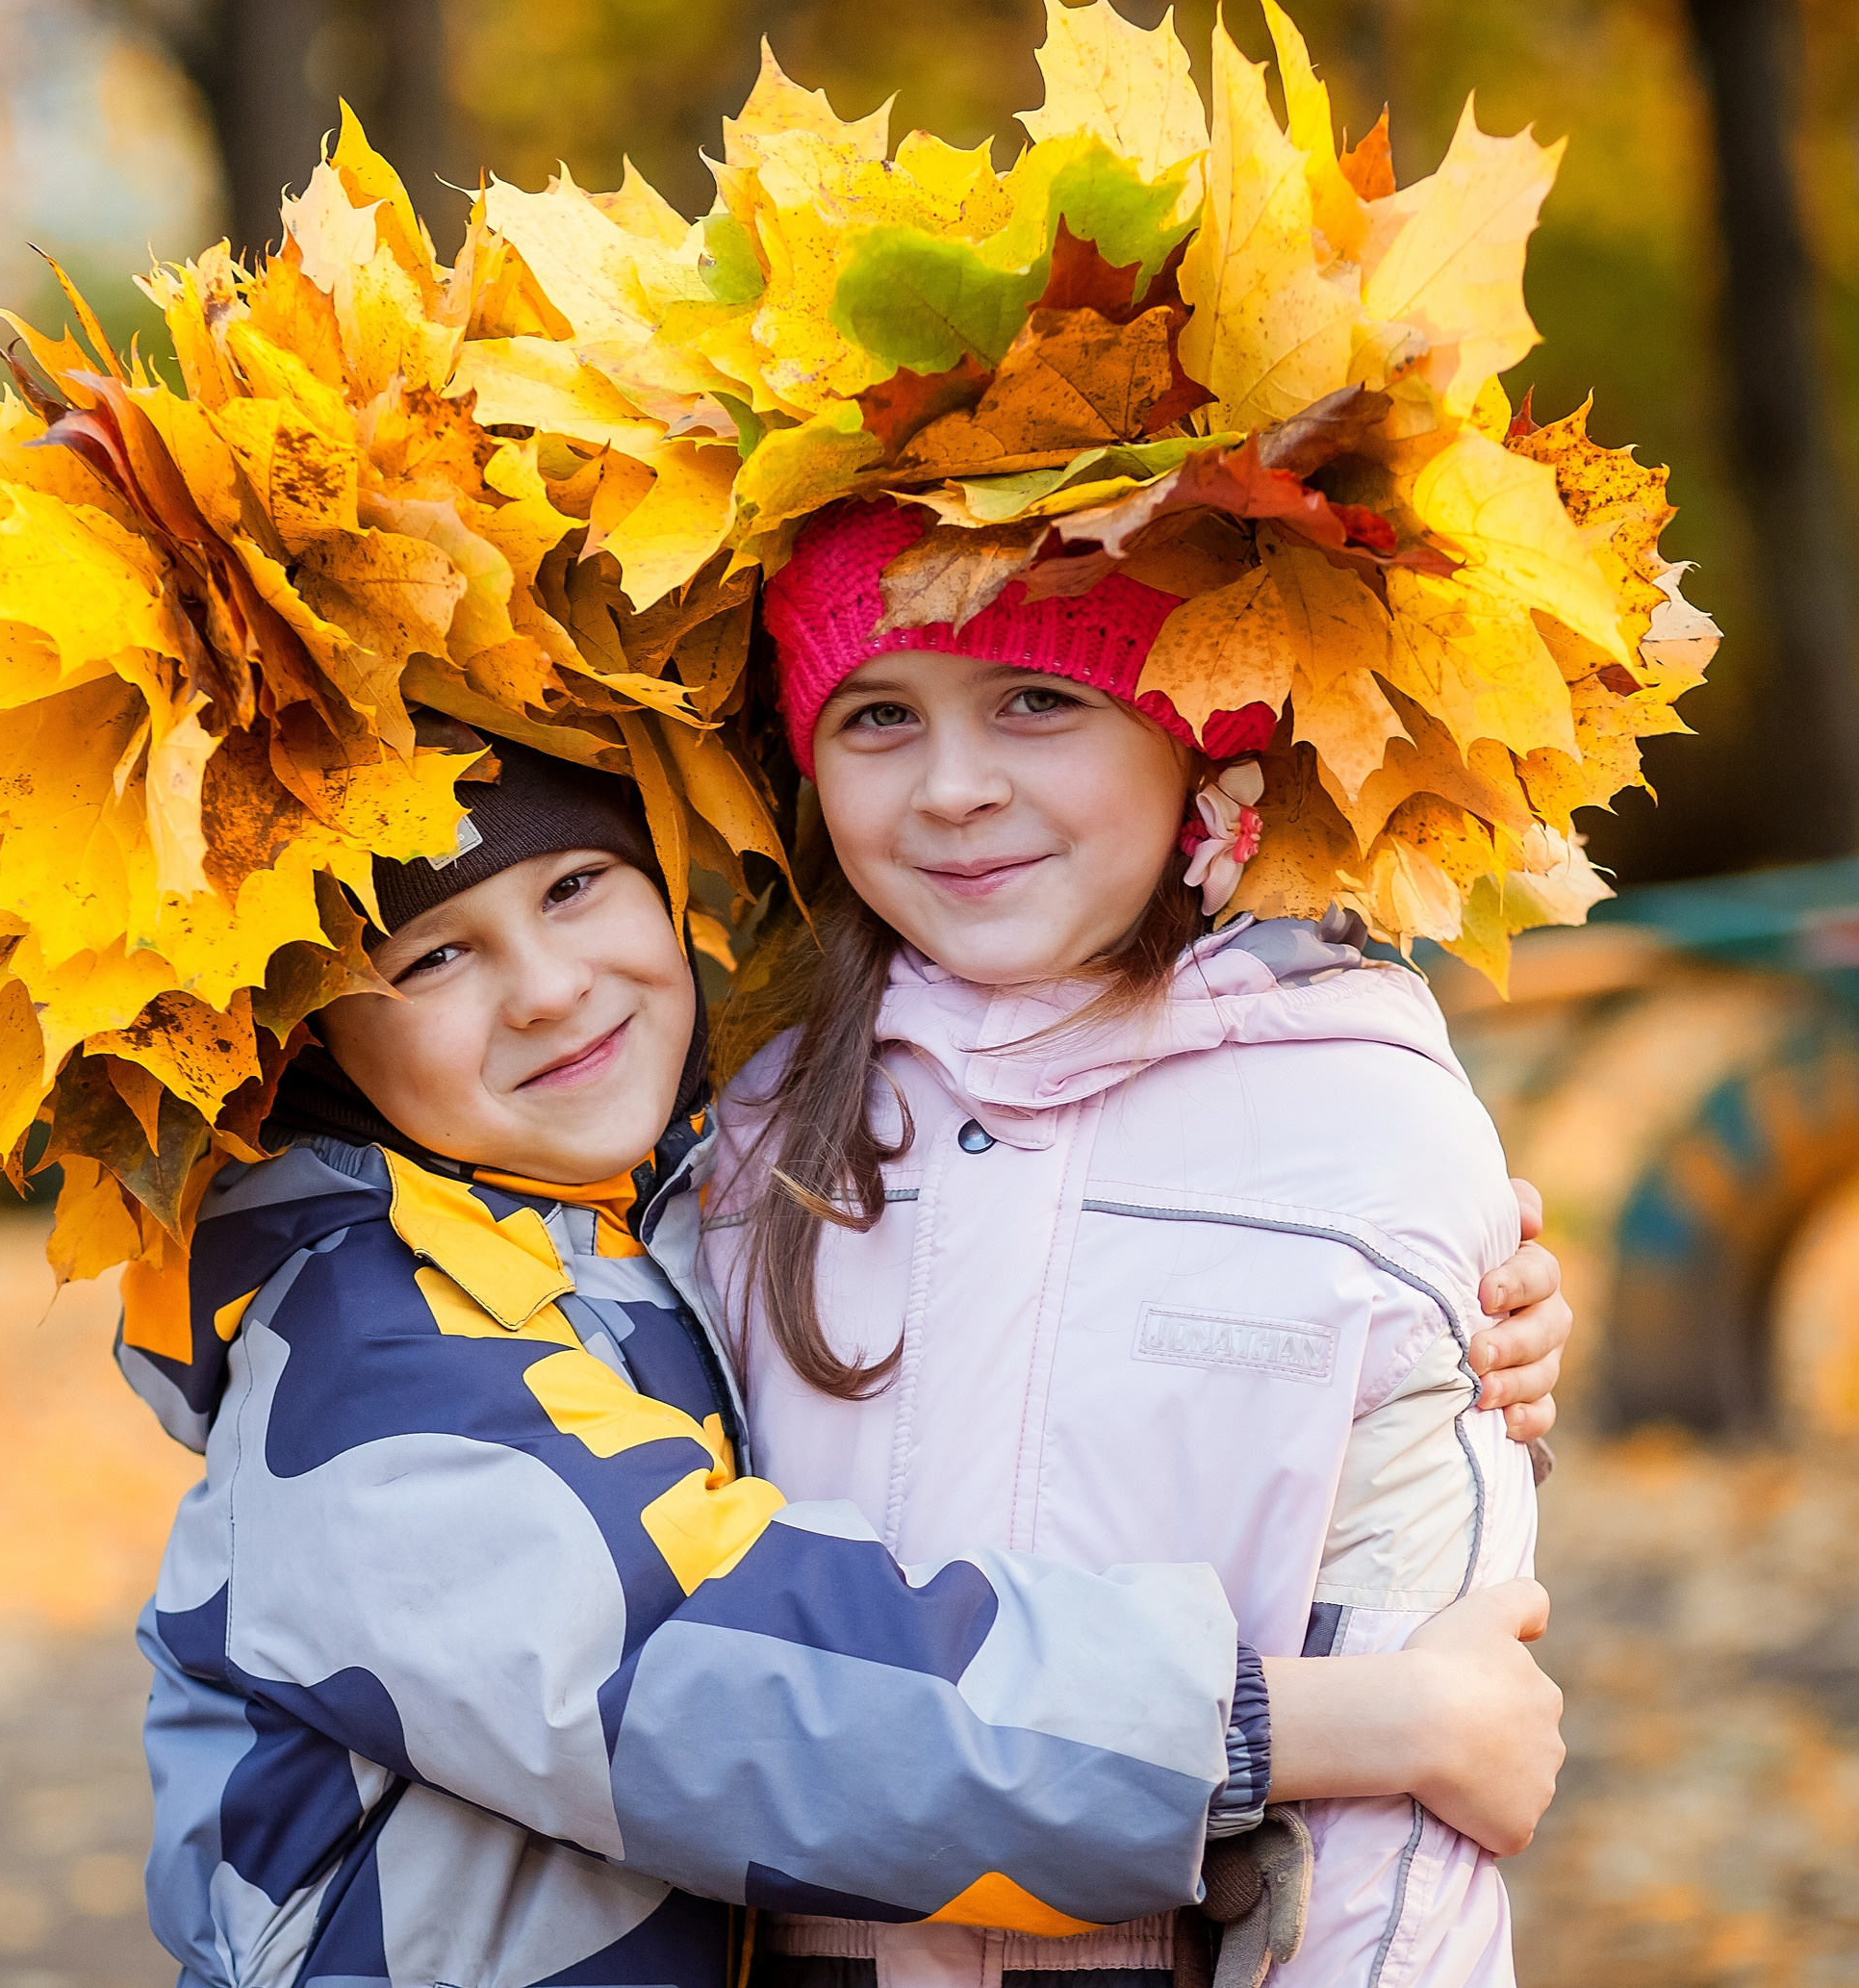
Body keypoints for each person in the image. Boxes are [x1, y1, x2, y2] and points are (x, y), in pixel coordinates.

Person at [124, 740, 1569, 1988]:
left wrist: (1387, 1308)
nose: (552, 989)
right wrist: (1335, 1722)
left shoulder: (648, 1226)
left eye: (574, 887)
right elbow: (735, 1694)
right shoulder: (368, 1360)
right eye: (434, 955)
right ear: (311, 1043)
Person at [704, 502, 1574, 1988]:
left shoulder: (1361, 1134)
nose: (954, 788)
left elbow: (1401, 1803)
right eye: (876, 716)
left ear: (1199, 740)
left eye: (1038, 702)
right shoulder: (742, 1133)